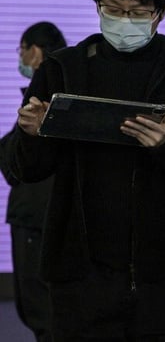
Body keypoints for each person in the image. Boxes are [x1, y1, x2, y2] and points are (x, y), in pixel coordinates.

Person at [1, 0, 165, 341]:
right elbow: (25, 169)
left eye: (138, 12)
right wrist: (32, 133)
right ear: (98, 5)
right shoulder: (63, 70)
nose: (124, 21)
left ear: (160, 12)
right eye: (113, 8)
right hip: (79, 279)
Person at [0, 22, 67, 341]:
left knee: (40, 308)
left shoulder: (42, 99)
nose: (21, 58)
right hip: (49, 214)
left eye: (22, 50)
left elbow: (19, 161)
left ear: (35, 52)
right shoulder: (69, 91)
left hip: (35, 215)